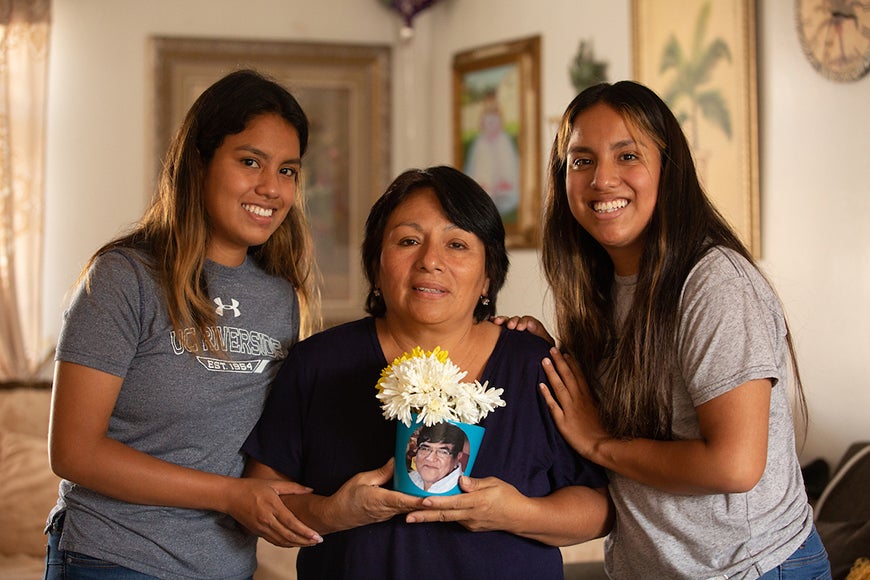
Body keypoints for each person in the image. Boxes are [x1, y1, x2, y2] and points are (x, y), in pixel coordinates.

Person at [499, 80, 830, 579]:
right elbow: (619, 420)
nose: (602, 179)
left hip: (751, 569)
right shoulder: (598, 289)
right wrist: (551, 360)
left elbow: (735, 466)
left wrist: (598, 444)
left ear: (668, 168)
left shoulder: (714, 281)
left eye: (627, 155)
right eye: (582, 160)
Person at [242, 165, 612, 579]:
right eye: (408, 240)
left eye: (457, 244)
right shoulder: (317, 364)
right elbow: (262, 503)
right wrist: (334, 513)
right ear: (376, 265)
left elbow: (600, 510)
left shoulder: (537, 366)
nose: (430, 261)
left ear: (488, 277)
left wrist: (516, 513)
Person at [44, 69, 325, 580]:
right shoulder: (124, 278)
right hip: (110, 559)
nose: (271, 187)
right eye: (249, 161)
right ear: (199, 163)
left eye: (287, 170)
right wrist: (228, 494)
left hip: (225, 567)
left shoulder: (280, 298)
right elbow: (74, 451)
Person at [408, 423, 467, 493]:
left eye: (442, 452)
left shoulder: (462, 488)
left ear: (458, 457)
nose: (430, 458)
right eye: (425, 449)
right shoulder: (411, 477)